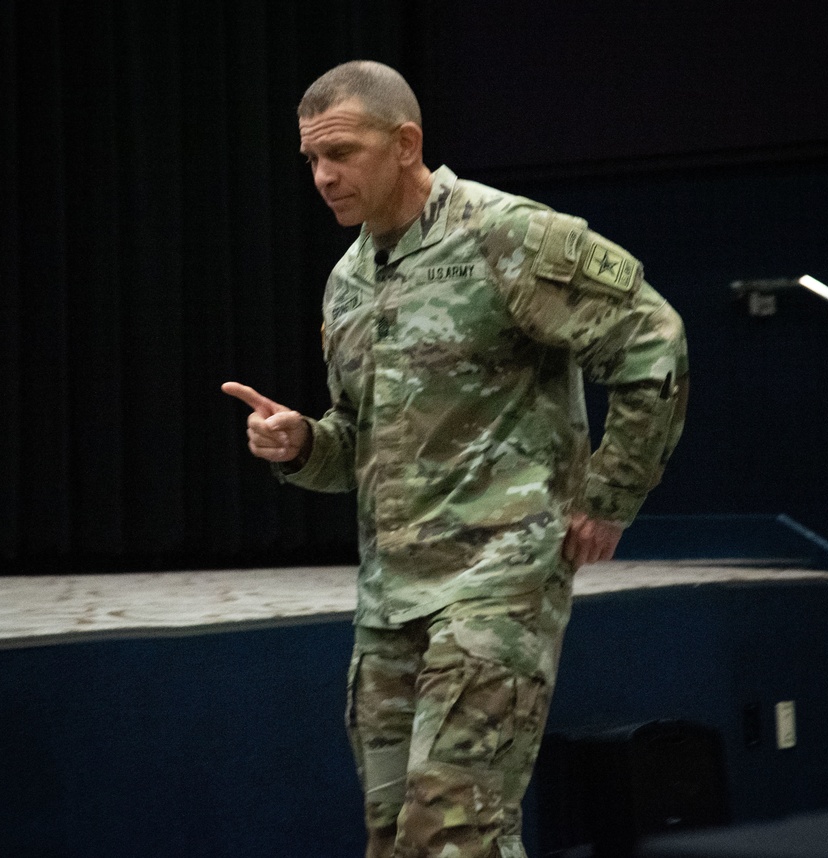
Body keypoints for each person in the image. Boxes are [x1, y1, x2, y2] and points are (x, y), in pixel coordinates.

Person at [222, 60, 688, 858]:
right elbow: (361, 443)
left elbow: (654, 345)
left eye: (342, 153)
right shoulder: (348, 281)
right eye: (311, 161)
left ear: (406, 143)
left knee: (453, 837)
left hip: (497, 592)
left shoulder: (509, 234)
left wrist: (610, 498)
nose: (324, 176)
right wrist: (302, 444)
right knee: (393, 837)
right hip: (390, 603)